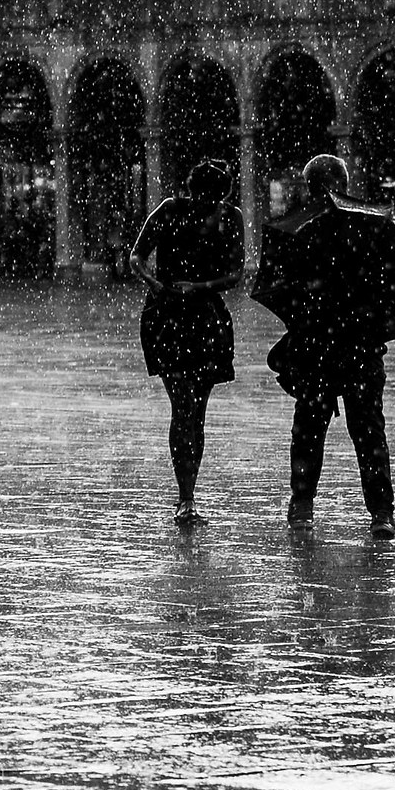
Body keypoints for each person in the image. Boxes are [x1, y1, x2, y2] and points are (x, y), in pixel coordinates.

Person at [257, 153, 395, 539]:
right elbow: (393, 285)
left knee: (307, 430)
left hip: (314, 348)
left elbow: (288, 293)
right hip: (361, 349)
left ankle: (302, 507)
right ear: (345, 184)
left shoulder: (296, 230)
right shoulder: (375, 227)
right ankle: (381, 513)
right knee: (369, 432)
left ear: (310, 186)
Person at [130, 160, 247, 527]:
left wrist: (189, 287)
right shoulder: (179, 211)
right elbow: (136, 257)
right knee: (186, 407)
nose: (204, 204)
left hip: (193, 318)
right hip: (175, 317)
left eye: (210, 198)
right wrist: (157, 284)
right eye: (200, 197)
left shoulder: (226, 216)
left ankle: (187, 496)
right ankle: (186, 497)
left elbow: (236, 273)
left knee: (192, 410)